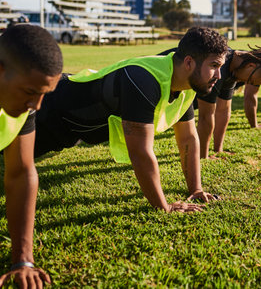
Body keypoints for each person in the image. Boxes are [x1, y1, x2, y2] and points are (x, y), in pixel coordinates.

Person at [34, 27, 227, 212]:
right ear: (188, 62)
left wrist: (196, 189)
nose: (219, 75)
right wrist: (164, 207)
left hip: (70, 130)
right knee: (7, 151)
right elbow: (140, 153)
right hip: (47, 110)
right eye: (214, 66)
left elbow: (187, 138)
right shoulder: (144, 79)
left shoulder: (187, 85)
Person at [0, 25, 63, 288]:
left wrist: (23, 259)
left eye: (44, 94)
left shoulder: (24, 103)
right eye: (31, 92)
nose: (37, 105)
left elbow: (21, 173)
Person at [159, 45, 261, 158]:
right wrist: (203, 156)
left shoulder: (234, 68)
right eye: (251, 81)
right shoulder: (219, 66)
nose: (246, 83)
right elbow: (205, 116)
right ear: (251, 66)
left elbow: (223, 110)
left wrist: (218, 149)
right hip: (156, 79)